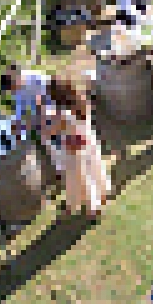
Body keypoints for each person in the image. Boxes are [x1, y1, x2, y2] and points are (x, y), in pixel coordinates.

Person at [47, 76, 110, 218]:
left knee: (82, 179)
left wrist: (45, 120)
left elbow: (51, 132)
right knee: (95, 169)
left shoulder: (62, 114)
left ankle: (93, 209)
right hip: (89, 141)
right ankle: (102, 196)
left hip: (74, 149)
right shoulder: (82, 101)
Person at [0, 64, 63, 174]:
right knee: (42, 133)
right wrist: (17, 127)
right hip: (41, 114)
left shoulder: (37, 79)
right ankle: (60, 165)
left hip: (55, 108)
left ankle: (65, 160)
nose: (14, 92)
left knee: (48, 129)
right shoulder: (18, 91)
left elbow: (53, 96)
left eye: (13, 88)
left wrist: (44, 114)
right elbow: (20, 113)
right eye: (12, 90)